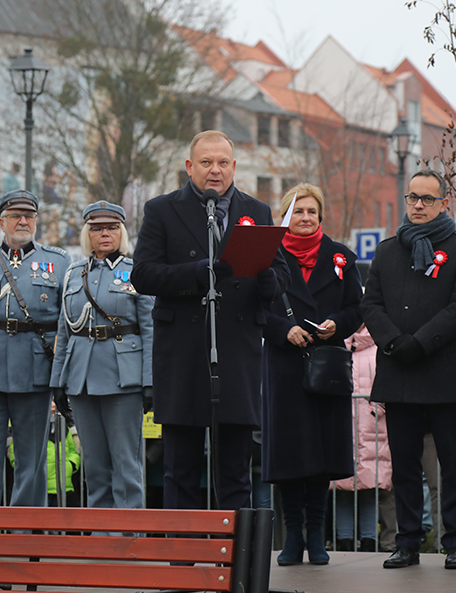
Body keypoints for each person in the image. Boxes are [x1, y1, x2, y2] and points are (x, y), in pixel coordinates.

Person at [130, 130, 290, 511]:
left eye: (222, 163)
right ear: (189, 167)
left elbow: (281, 275)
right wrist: (195, 273)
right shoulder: (161, 210)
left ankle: (233, 562)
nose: (214, 171)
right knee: (180, 468)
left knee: (236, 471)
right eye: (206, 162)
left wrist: (270, 280)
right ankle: (182, 564)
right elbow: (143, 274)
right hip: (182, 353)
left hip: (236, 352)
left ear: (234, 167)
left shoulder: (258, 212)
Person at [362, 169, 456, 570]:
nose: (416, 205)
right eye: (412, 197)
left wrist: (419, 342)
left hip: (445, 375)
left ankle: (455, 542)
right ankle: (407, 541)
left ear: (443, 203)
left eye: (426, 199)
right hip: (399, 372)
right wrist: (394, 342)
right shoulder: (387, 250)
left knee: (453, 464)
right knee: (405, 465)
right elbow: (371, 305)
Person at [260, 183, 361, 565]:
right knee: (290, 453)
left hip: (327, 367)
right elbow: (255, 309)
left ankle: (316, 535)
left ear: (321, 217)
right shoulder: (267, 258)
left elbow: (357, 307)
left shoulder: (341, 258)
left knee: (321, 452)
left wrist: (337, 323)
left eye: (311, 212)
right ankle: (292, 536)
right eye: (297, 212)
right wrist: (282, 331)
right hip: (285, 366)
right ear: (285, 217)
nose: (305, 218)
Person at [52, 201, 153, 511]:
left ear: (121, 232)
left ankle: (128, 535)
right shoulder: (73, 274)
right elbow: (65, 331)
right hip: (81, 380)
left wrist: (150, 381)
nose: (105, 233)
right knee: (94, 465)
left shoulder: (136, 272)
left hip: (124, 378)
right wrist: (58, 380)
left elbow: (149, 331)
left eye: (111, 227)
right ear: (88, 234)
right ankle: (101, 536)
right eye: (97, 228)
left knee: (127, 464)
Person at [0, 189, 70, 508]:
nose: (23, 221)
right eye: (15, 216)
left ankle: (25, 535)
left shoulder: (58, 261)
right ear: (2, 221)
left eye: (29, 216)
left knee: (32, 457)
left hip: (35, 368)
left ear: (37, 221)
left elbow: (66, 321)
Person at [333, 324, 397, 554]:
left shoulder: (378, 345)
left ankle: (369, 540)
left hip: (373, 427)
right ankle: (344, 540)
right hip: (343, 425)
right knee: (342, 487)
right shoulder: (337, 344)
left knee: (370, 487)